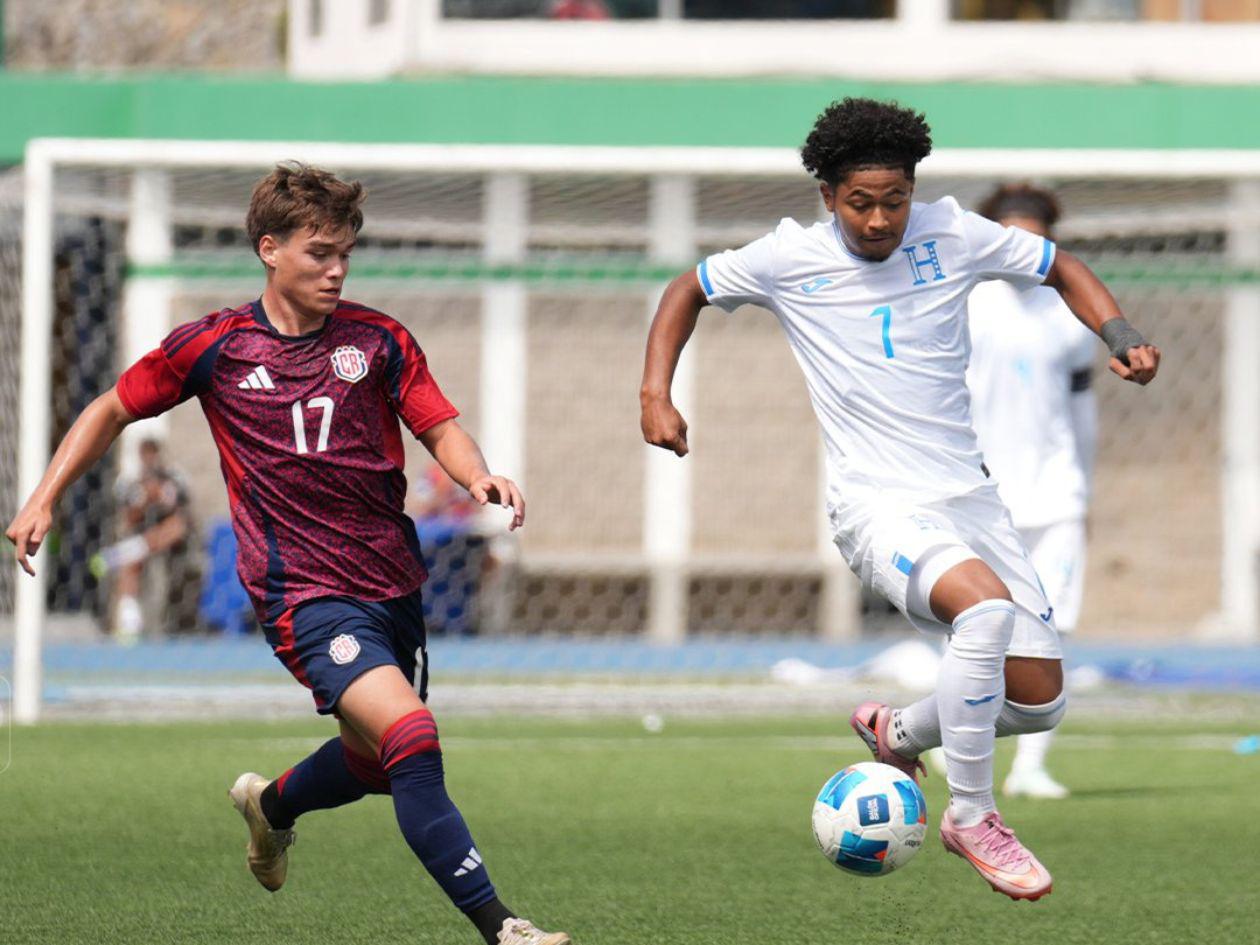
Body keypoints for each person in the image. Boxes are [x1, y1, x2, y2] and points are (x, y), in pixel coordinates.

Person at [6, 163, 569, 945]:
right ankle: (502, 926)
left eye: (345, 255)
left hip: (391, 582)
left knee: (374, 763)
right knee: (412, 737)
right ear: (269, 249)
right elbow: (110, 407)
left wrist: (476, 474)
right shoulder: (216, 346)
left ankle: (270, 806)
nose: (336, 270)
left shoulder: (378, 340)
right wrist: (43, 496)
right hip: (301, 593)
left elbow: (437, 424)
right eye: (319, 253)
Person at [639, 97, 1159, 901]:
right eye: (860, 202)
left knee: (1039, 702)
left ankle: (899, 729)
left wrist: (1118, 331)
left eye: (895, 200)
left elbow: (1058, 265)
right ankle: (972, 815)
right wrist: (655, 393)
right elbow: (687, 289)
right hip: (876, 503)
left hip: (970, 496)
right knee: (983, 612)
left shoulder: (954, 232)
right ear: (828, 196)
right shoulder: (787, 258)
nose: (880, 219)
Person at [966, 184, 1097, 800]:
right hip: (981, 496)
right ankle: (961, 745)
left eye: (1035, 241)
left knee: (1052, 625)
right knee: (980, 627)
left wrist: (1084, 486)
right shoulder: (963, 304)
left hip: (1056, 493)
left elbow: (1082, 409)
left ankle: (1031, 766)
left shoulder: (1069, 317)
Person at [91, 437, 201, 641]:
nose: (150, 459)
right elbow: (129, 519)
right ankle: (129, 625)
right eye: (146, 455)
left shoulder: (174, 477)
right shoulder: (131, 482)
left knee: (177, 525)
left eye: (153, 454)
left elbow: (184, 513)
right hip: (144, 534)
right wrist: (144, 500)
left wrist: (160, 495)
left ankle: (118, 555)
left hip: (175, 541)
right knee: (131, 563)